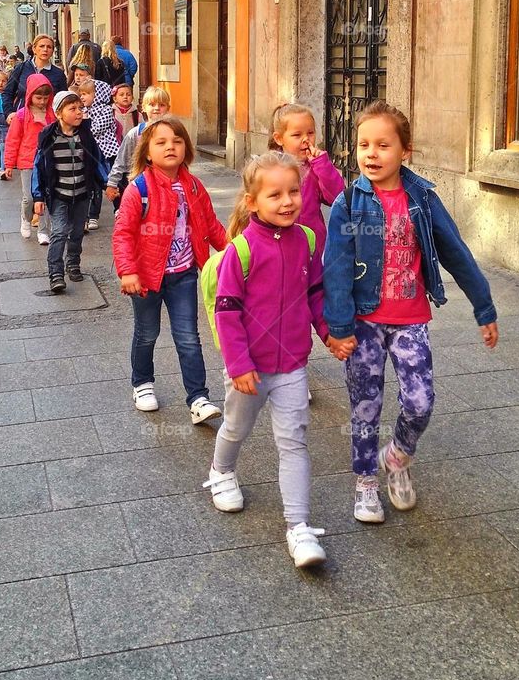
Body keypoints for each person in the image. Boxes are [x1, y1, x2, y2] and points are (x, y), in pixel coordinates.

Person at [323, 100, 499, 525]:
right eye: (364, 144)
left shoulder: (422, 198)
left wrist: (484, 305)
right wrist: (340, 326)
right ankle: (366, 483)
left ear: (406, 150)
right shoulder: (349, 203)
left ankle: (398, 458)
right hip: (363, 322)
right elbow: (336, 267)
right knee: (365, 405)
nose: (371, 154)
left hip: (410, 320)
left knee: (420, 403)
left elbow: (455, 252)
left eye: (383, 145)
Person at [203, 151, 336, 569]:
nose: (287, 201)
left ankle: (299, 527)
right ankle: (221, 471)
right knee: (237, 426)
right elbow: (226, 311)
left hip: (293, 365)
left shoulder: (308, 241)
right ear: (251, 202)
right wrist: (239, 364)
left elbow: (314, 294)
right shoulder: (240, 251)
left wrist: (328, 332)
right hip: (250, 369)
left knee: (293, 441)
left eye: (294, 191)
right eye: (275, 194)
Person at [112, 116, 226, 418]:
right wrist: (128, 271)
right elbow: (123, 232)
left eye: (176, 141)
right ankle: (142, 382)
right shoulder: (138, 189)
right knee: (147, 333)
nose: (170, 147)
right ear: (147, 152)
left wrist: (233, 252)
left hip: (184, 275)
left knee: (188, 336)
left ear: (186, 148)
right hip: (147, 277)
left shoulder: (194, 186)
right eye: (161, 142)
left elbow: (210, 225)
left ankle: (198, 399)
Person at [32, 90, 110, 293]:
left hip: (83, 194)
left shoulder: (86, 135)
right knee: (58, 232)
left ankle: (73, 263)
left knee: (76, 232)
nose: (79, 113)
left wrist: (107, 184)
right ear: (59, 113)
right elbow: (38, 167)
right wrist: (38, 196)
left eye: (80, 109)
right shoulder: (49, 136)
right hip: (58, 195)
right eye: (72, 109)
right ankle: (56, 273)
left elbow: (97, 162)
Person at [269, 102, 344, 256]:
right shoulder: (268, 170)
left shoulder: (315, 168)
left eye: (310, 133)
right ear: (279, 138)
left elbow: (337, 197)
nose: (306, 139)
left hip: (313, 248)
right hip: (279, 247)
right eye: (297, 135)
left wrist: (323, 165)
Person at [4, 74, 55, 244]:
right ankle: (26, 218)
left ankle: (43, 230)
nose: (42, 101)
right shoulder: (21, 115)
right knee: (30, 197)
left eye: (45, 98)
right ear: (30, 95)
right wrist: (9, 164)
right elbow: (12, 140)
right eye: (38, 97)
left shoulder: (52, 115)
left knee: (46, 196)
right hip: (27, 161)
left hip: (47, 161)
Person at [106, 86, 171, 209]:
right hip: (140, 187)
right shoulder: (135, 134)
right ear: (144, 108)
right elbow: (121, 160)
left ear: (168, 108)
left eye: (161, 105)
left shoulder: (173, 133)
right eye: (152, 104)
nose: (157, 108)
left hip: (166, 186)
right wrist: (112, 183)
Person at [77, 78, 119, 230]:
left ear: (99, 94)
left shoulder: (106, 110)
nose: (82, 97)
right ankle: (93, 215)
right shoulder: (83, 111)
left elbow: (95, 129)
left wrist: (85, 123)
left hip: (107, 153)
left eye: (86, 94)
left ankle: (119, 208)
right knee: (93, 185)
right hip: (91, 154)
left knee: (112, 182)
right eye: (81, 94)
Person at [3, 35, 67, 119]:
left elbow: (63, 99)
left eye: (49, 47)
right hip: (22, 118)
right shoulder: (21, 68)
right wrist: (9, 113)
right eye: (41, 46)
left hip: (48, 121)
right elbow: (8, 92)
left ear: (52, 51)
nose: (45, 49)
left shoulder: (58, 74)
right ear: (34, 49)